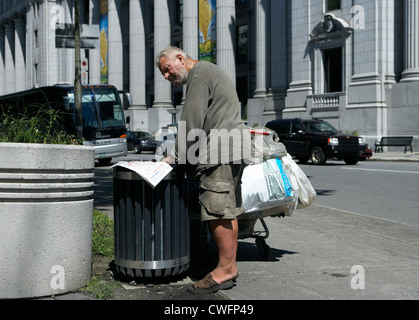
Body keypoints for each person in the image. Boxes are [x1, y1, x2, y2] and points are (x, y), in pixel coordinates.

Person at [156, 46, 248, 294]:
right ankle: (225, 264)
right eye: (163, 74)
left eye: (167, 69)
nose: (167, 76)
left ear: (180, 58)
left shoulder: (198, 74)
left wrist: (175, 156)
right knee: (226, 210)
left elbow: (191, 121)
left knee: (216, 209)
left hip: (219, 150)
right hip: (232, 147)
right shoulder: (209, 71)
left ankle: (225, 269)